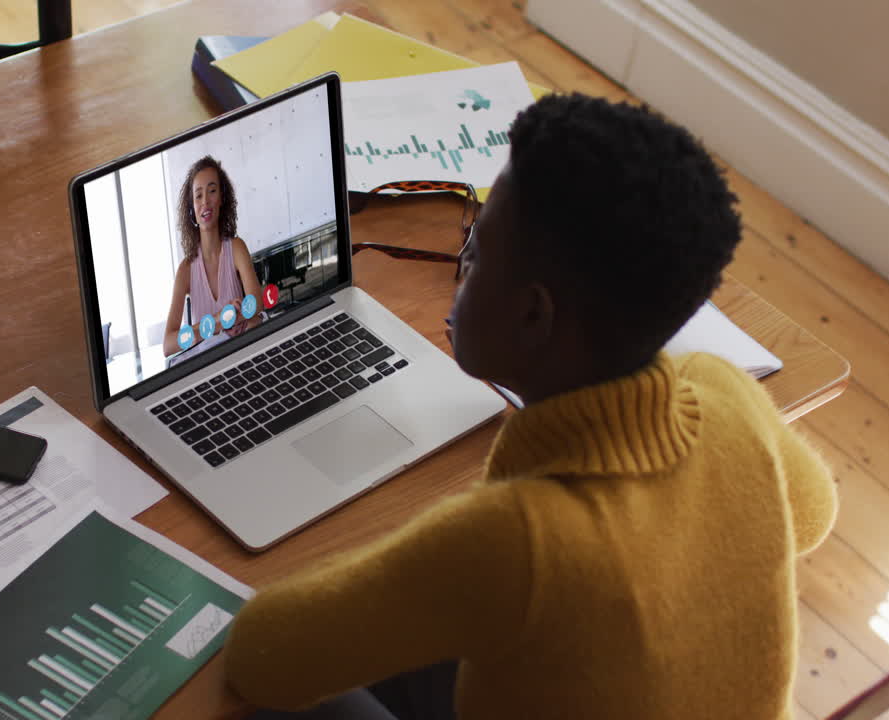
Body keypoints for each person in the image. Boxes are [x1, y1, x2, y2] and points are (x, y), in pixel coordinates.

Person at [223, 93, 837, 719]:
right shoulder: (725, 392)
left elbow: (260, 654)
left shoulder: (515, 542)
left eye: (478, 252)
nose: (461, 267)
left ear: (533, 313)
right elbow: (814, 511)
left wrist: (419, 557)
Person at [163, 155, 263, 357]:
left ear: (222, 199)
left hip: (243, 353)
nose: (205, 202)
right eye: (198, 195)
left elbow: (257, 304)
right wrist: (219, 321)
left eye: (212, 191)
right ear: (191, 207)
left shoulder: (236, 248)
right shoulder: (185, 270)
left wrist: (231, 319)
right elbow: (168, 345)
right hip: (211, 364)